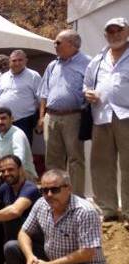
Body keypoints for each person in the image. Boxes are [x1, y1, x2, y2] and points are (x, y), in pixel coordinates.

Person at [3, 169, 106, 264]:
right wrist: (30, 256)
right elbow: (24, 232)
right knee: (12, 247)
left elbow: (87, 253)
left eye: (55, 189)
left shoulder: (85, 212)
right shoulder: (42, 204)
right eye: (44, 190)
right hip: (52, 259)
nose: (49, 194)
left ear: (68, 188)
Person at [84, 17, 129, 227]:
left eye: (119, 30)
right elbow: (86, 84)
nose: (115, 34)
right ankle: (108, 209)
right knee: (101, 165)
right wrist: (88, 93)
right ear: (105, 35)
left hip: (126, 116)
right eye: (110, 31)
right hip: (101, 116)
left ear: (127, 31)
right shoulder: (98, 59)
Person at [38, 29, 90, 197]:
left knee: (75, 159)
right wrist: (41, 116)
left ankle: (76, 198)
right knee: (52, 160)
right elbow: (44, 93)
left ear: (73, 44)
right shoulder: (53, 65)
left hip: (73, 116)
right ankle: (56, 195)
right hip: (50, 117)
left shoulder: (87, 63)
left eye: (58, 42)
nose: (54, 45)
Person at [0, 50, 41, 143]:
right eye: (14, 60)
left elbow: (41, 99)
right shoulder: (2, 77)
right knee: (3, 149)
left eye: (20, 60)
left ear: (26, 61)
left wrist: (40, 119)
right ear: (9, 62)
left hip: (24, 120)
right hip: (3, 121)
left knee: (22, 151)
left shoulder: (33, 76)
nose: (17, 63)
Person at [0, 107, 38, 179]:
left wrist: (0, 165)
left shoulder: (17, 135)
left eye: (3, 118)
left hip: (23, 174)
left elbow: (19, 159)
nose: (0, 122)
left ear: (12, 119)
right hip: (6, 169)